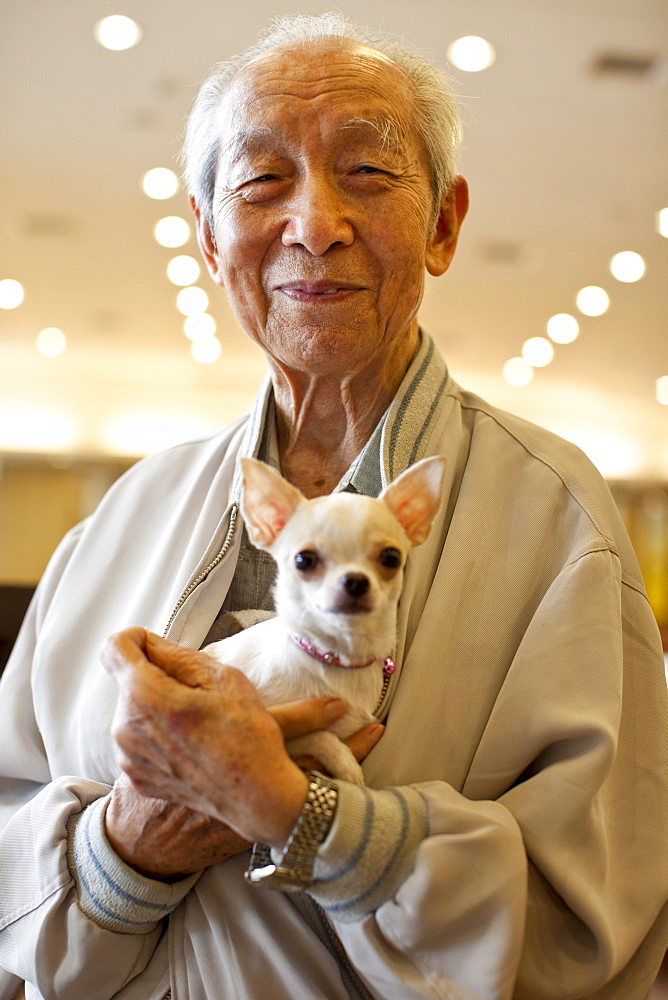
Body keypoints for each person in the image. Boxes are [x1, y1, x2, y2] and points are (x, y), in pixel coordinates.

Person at [0, 13, 666, 1000]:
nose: (314, 224)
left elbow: (601, 912)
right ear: (207, 233)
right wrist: (129, 844)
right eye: (263, 181)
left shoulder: (555, 518)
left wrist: (306, 817)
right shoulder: (124, 517)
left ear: (442, 223)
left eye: (365, 174)